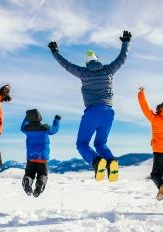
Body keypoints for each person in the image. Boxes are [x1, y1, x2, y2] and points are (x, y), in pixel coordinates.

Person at [48, 30, 131, 182]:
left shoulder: (83, 73)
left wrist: (55, 52)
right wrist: (125, 42)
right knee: (101, 143)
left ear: (87, 63)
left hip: (92, 112)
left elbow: (66, 65)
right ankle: (111, 162)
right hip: (108, 112)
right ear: (97, 60)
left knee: (82, 144)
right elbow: (122, 58)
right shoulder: (109, 70)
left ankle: (96, 162)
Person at [20, 109, 60, 197]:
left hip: (31, 157)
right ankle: (40, 184)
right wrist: (56, 120)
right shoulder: (45, 128)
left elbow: (22, 127)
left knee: (29, 174)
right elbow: (55, 130)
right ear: (40, 117)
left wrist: (26, 117)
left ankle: (27, 181)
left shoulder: (27, 129)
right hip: (42, 157)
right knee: (43, 174)